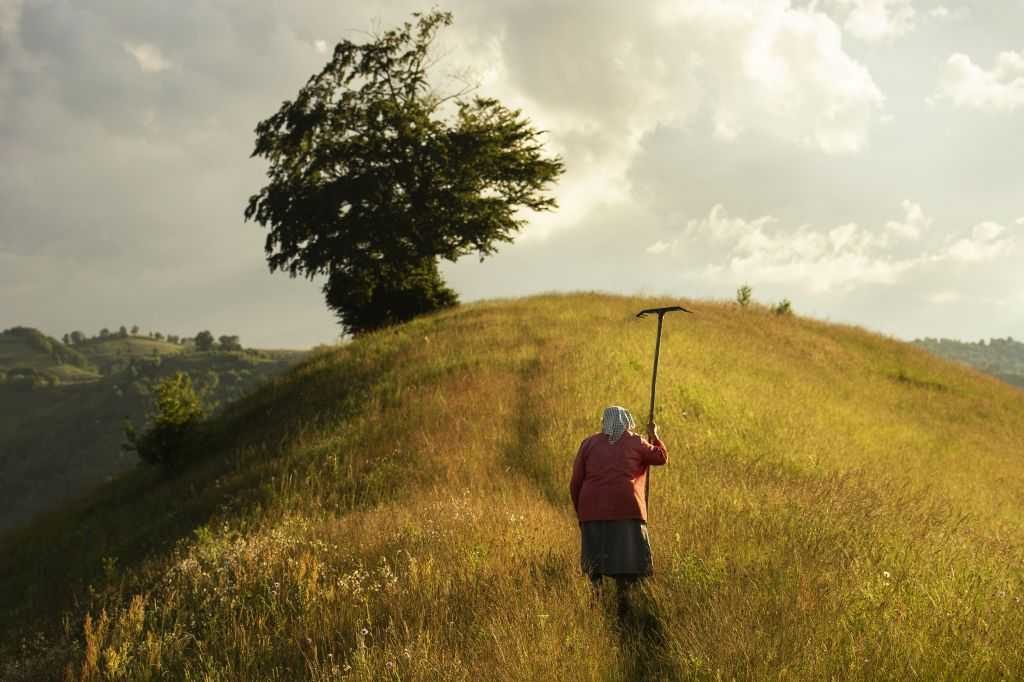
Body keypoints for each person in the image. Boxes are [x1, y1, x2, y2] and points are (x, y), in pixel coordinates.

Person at [569, 405, 668, 616]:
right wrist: (654, 435)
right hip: (626, 509)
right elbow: (660, 457)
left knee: (595, 562)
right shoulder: (635, 441)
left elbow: (576, 482)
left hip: (592, 508)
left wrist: (581, 512)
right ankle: (623, 608)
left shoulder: (588, 444)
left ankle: (596, 604)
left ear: (604, 422)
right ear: (626, 422)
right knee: (625, 560)